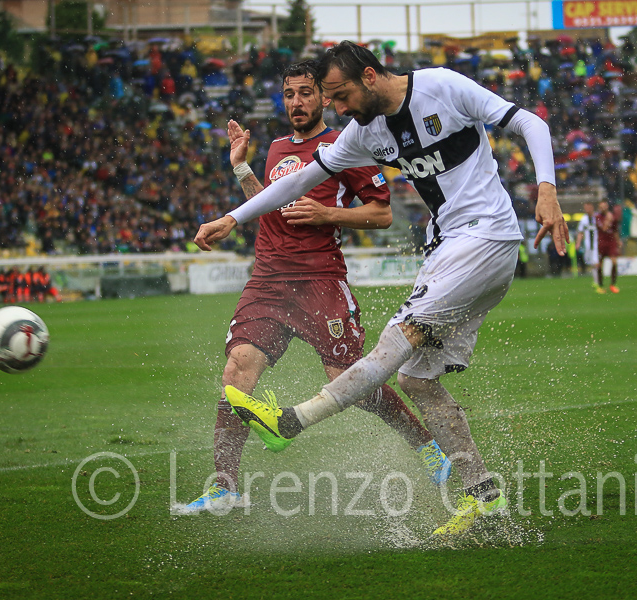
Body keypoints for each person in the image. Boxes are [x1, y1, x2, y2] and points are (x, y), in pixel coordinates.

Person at [193, 42, 567, 535]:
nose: (338, 108)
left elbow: (530, 123)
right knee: (415, 380)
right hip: (449, 248)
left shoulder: (442, 86)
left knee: (396, 341)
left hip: (483, 238)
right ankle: (484, 496)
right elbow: (296, 183)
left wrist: (546, 189)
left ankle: (291, 421)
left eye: (339, 95)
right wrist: (232, 217)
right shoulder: (363, 131)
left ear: (369, 76)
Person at [181, 61, 451, 514]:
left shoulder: (346, 146)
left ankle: (426, 446)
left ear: (324, 98)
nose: (297, 102)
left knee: (347, 381)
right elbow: (268, 206)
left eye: (306, 93)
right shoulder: (276, 148)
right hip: (268, 280)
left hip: (320, 279)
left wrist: (328, 215)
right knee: (236, 375)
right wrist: (241, 168)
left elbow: (381, 213)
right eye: (289, 94)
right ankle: (224, 487)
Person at [575, 202, 603, 293]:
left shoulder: (597, 218)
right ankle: (596, 281)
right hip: (588, 246)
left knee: (596, 263)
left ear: (592, 207)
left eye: (589, 207)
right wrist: (578, 243)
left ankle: (597, 283)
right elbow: (580, 232)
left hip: (597, 245)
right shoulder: (583, 219)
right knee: (592, 264)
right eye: (586, 208)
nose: (587, 210)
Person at [595, 200, 620, 293]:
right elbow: (604, 229)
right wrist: (608, 220)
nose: (603, 208)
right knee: (599, 264)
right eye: (601, 206)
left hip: (611, 242)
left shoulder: (613, 217)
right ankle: (600, 286)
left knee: (614, 261)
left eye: (604, 206)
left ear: (607, 206)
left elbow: (615, 230)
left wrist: (618, 241)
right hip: (602, 242)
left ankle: (613, 284)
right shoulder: (597, 217)